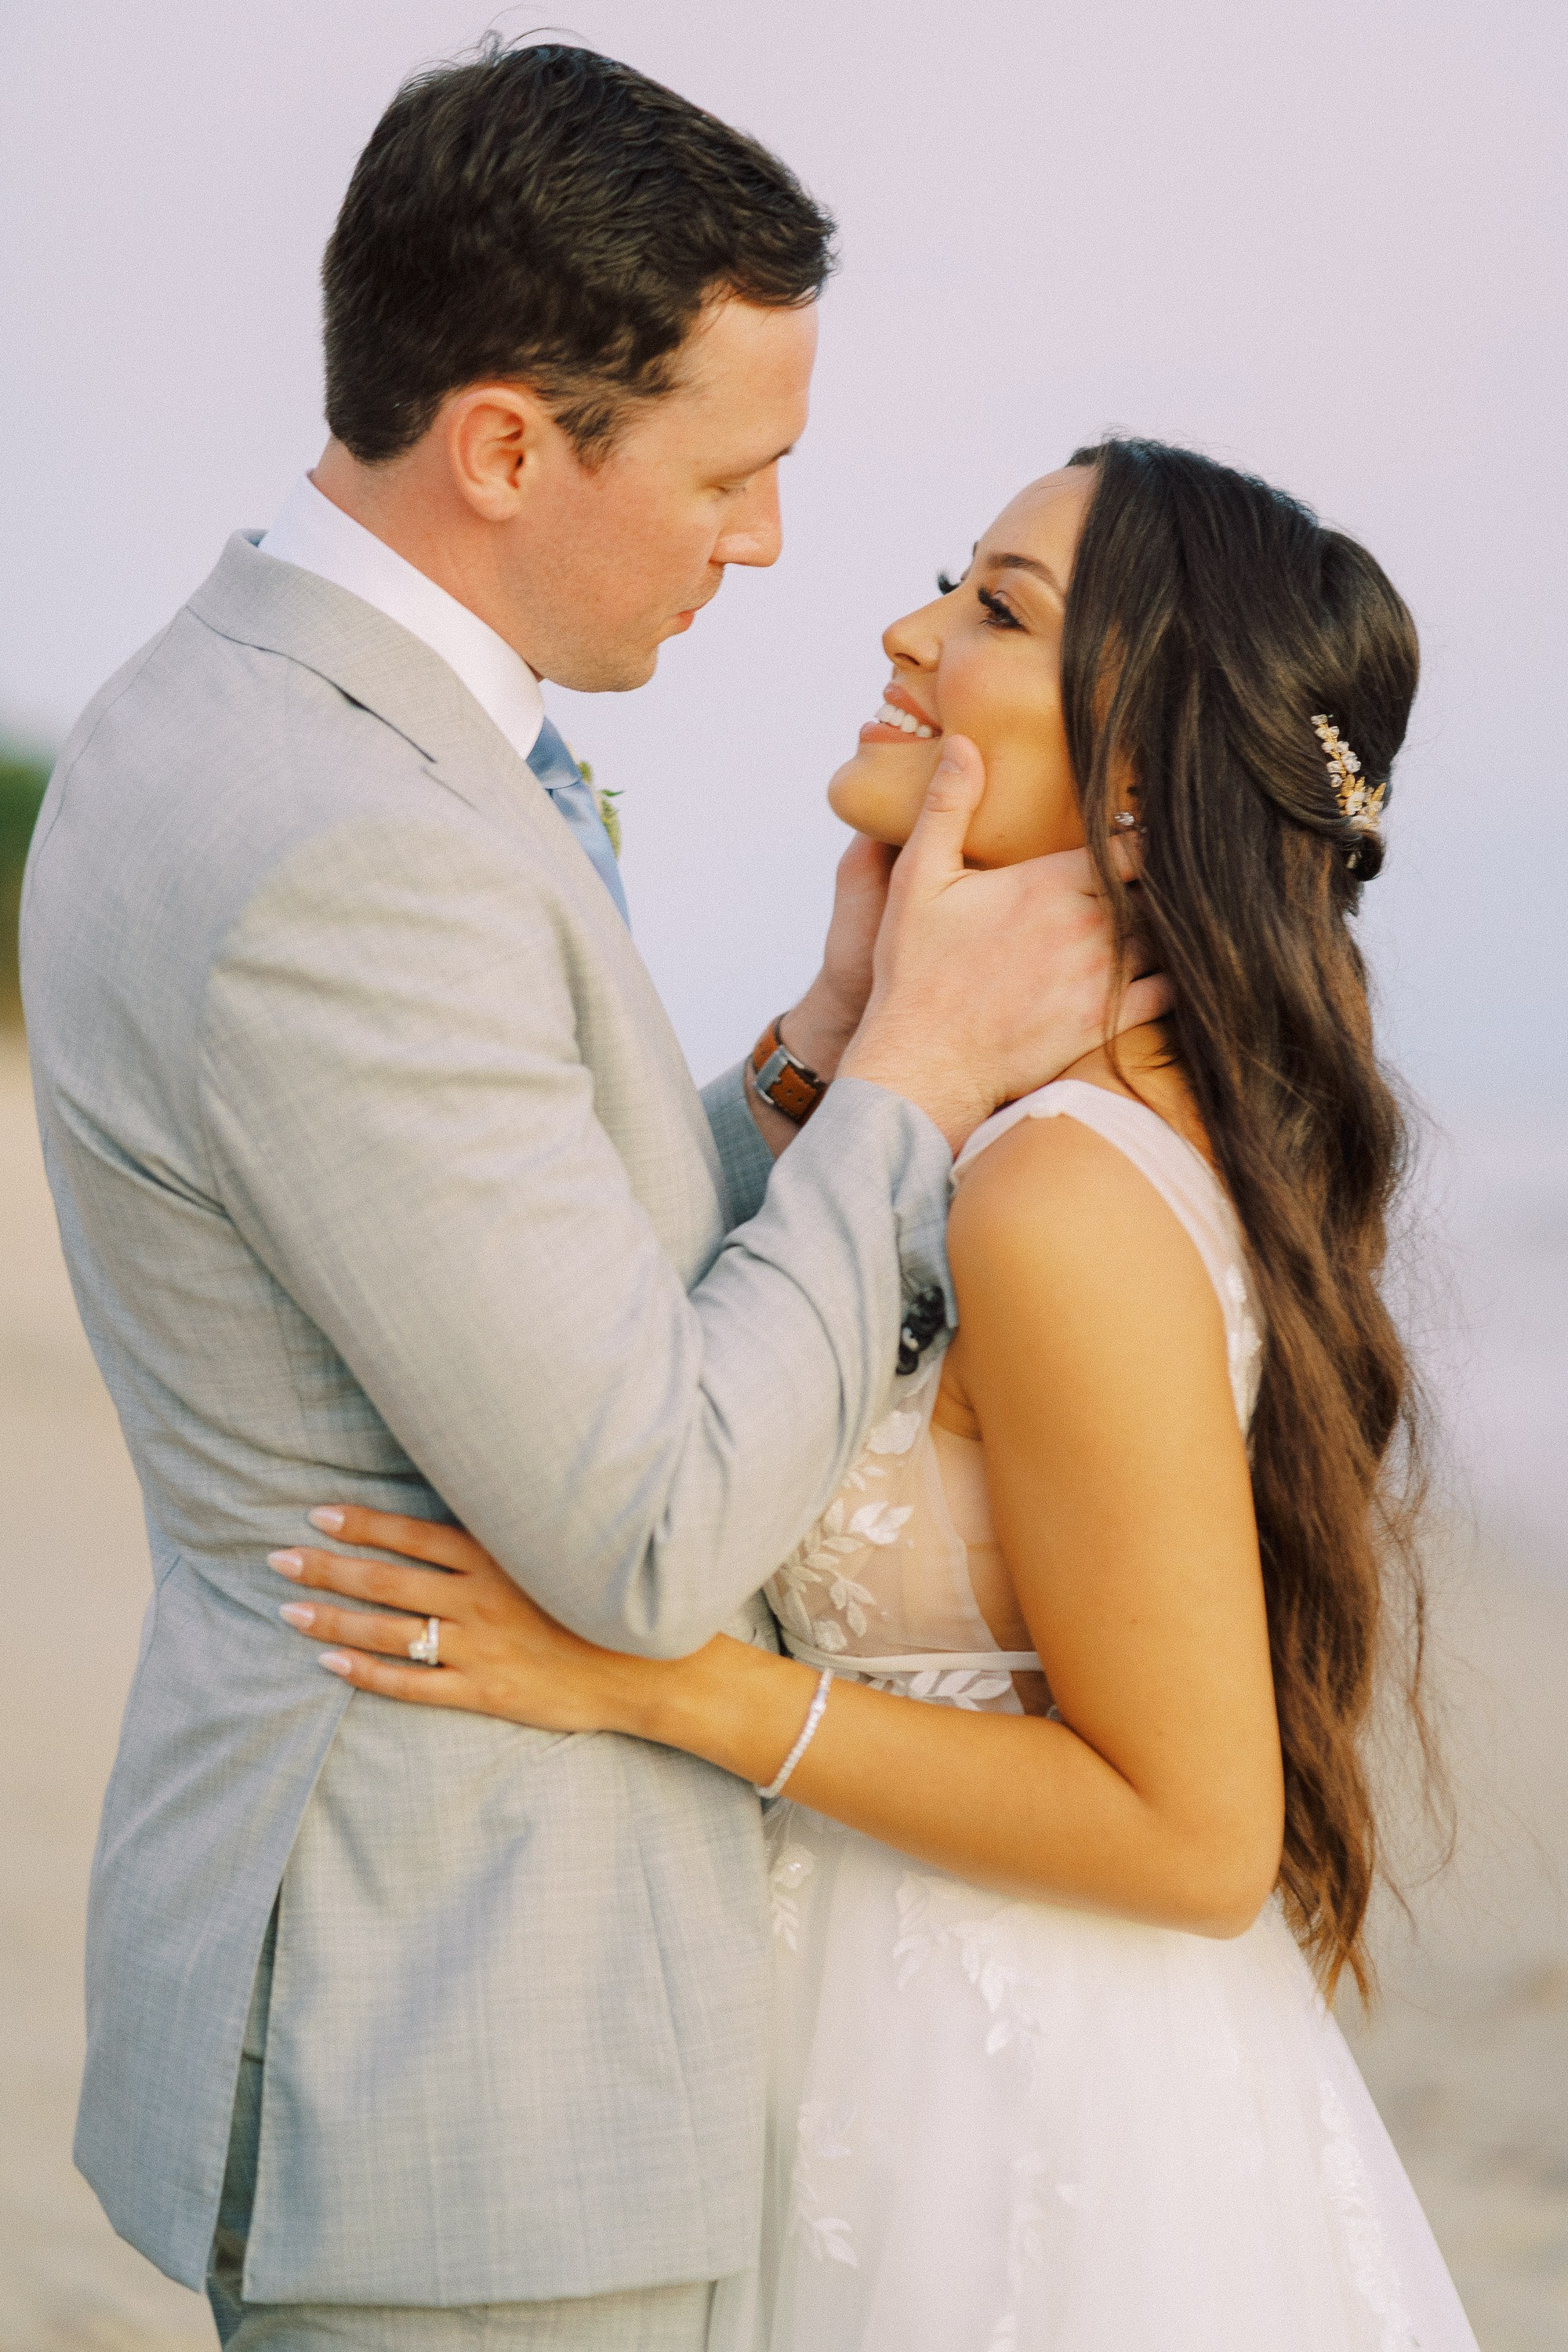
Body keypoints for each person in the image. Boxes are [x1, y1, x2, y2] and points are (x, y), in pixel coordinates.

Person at [20, 44, 1163, 2352]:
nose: (770, 545)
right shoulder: (347, 843)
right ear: (510, 445)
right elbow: (647, 1522)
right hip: (462, 2044)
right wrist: (922, 1089)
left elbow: (521, 1254)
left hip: (408, 1988)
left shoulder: (243, 701)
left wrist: (809, 1063)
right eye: (735, 475)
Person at [278, 440, 1481, 2350]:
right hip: (884, 2038)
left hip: (1004, 2120)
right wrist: (841, 1041)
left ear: (1149, 783)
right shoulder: (1004, 1136)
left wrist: (649, 1681)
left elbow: (1190, 1833)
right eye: (953, 580)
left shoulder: (1058, 1190)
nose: (906, 631)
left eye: (996, 611)